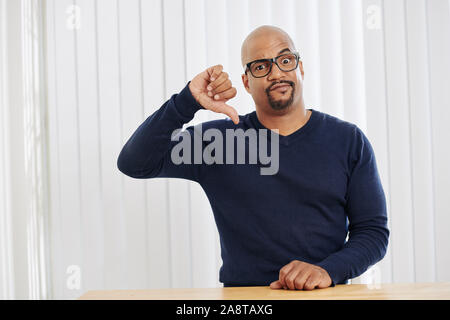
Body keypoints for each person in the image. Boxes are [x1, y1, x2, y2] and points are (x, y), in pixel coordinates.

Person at [117, 25, 389, 290]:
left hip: (325, 295)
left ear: (300, 68)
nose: (276, 73)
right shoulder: (218, 142)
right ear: (246, 82)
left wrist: (328, 270)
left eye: (285, 60)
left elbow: (373, 233)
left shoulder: (348, 140)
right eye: (261, 66)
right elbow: (135, 163)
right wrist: (188, 100)